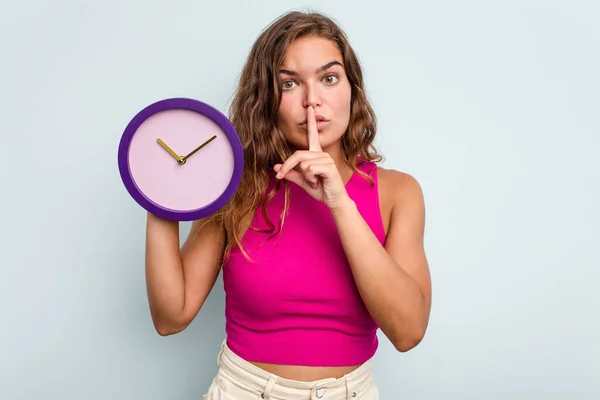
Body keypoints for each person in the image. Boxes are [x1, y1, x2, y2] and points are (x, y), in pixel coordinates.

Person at [145, 9, 432, 400]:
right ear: (266, 98)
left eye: (329, 78)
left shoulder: (399, 193)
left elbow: (409, 331)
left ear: (352, 89)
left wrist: (339, 203)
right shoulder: (237, 187)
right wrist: (158, 196)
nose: (312, 101)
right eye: (290, 84)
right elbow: (170, 317)